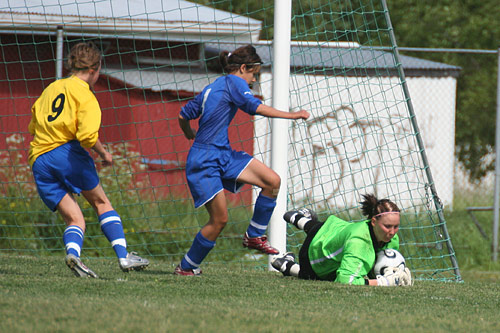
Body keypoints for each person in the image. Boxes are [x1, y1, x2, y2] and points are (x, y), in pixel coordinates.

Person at [176, 44, 310, 275]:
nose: (253, 80)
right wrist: (293, 115)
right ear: (243, 68)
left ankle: (255, 235)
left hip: (222, 154)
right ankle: (187, 267)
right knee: (219, 220)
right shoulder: (234, 82)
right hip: (205, 159)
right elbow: (253, 106)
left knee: (272, 181)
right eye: (253, 74)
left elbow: (183, 114)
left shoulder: (213, 86)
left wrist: (188, 130)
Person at [28, 42, 149, 278]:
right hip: (67, 153)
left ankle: (74, 255)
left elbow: (33, 123)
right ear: (95, 69)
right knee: (101, 202)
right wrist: (104, 154)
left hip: (39, 158)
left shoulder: (52, 88)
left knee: (74, 218)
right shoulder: (85, 95)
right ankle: (124, 257)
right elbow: (86, 136)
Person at [271, 194, 412, 286]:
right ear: (373, 221)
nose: (392, 232)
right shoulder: (359, 243)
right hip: (314, 254)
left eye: (396, 226)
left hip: (334, 229)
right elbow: (345, 280)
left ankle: (298, 218)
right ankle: (288, 266)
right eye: (387, 226)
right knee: (312, 277)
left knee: (319, 228)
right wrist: (384, 283)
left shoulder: (391, 238)